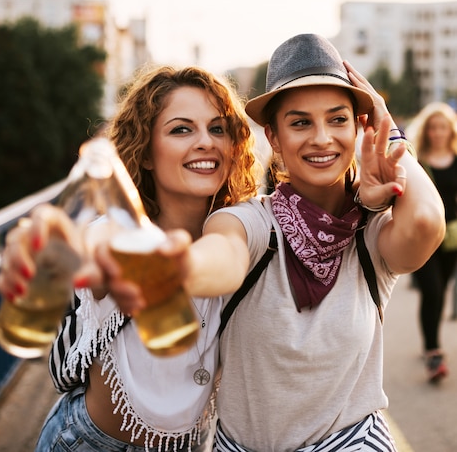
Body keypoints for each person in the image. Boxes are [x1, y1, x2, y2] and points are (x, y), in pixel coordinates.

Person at [110, 34, 445, 452]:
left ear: (359, 127)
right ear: (274, 137)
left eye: (338, 119)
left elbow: (428, 221)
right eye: (301, 122)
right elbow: (223, 257)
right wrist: (171, 266)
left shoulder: (370, 234)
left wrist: (389, 130)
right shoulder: (249, 221)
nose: (322, 137)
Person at [0, 65, 262, 452]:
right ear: (147, 153)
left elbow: (228, 260)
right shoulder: (118, 230)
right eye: (181, 129)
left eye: (217, 128)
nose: (206, 142)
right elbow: (101, 243)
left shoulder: (240, 227)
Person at [406, 101, 457, 382]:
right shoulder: (417, 161)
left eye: (443, 128)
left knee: (441, 291)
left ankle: (431, 336)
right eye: (433, 127)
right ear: (427, 131)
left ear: (450, 131)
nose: (438, 133)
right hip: (423, 235)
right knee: (433, 291)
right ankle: (433, 352)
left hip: (451, 238)